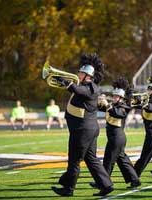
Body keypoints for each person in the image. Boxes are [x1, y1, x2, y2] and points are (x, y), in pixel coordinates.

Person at [51, 53, 113, 197]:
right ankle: (106, 185)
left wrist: (67, 82)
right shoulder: (84, 86)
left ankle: (68, 188)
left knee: (74, 159)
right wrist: (63, 82)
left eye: (80, 73)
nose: (78, 74)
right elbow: (76, 90)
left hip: (83, 130)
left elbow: (79, 90)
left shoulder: (91, 87)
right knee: (91, 159)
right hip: (86, 129)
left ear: (87, 76)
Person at [93, 77, 141, 189]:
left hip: (117, 137)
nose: (113, 97)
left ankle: (102, 183)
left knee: (108, 161)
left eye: (116, 96)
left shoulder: (123, 107)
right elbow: (101, 108)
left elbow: (119, 114)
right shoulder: (114, 105)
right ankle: (135, 180)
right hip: (116, 138)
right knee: (122, 160)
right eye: (113, 96)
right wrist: (99, 101)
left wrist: (108, 105)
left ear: (121, 97)